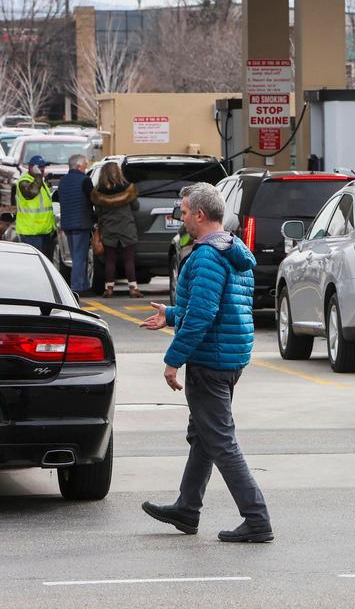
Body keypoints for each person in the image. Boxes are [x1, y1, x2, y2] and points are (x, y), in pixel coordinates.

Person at [139, 182, 272, 544]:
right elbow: (218, 307)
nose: (180, 218)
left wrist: (173, 360)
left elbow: (201, 315)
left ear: (199, 214)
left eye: (183, 212)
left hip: (209, 361)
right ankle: (187, 508)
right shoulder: (232, 249)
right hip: (228, 357)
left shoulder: (206, 257)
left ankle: (257, 519)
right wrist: (170, 314)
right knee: (204, 436)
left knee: (220, 442)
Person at [91, 162, 143, 298]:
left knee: (110, 260)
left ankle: (109, 289)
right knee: (129, 259)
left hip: (109, 229)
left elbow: (98, 212)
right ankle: (133, 288)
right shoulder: (128, 190)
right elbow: (136, 207)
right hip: (127, 228)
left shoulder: (99, 192)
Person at [58, 154, 95, 295]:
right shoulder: (85, 180)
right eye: (85, 165)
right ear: (79, 166)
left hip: (67, 224)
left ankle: (83, 285)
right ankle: (77, 287)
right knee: (80, 257)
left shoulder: (63, 181)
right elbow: (93, 199)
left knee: (76, 256)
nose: (86, 168)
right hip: (81, 223)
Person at [15, 155, 56, 254]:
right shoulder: (24, 181)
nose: (42, 169)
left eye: (43, 167)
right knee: (34, 261)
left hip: (44, 231)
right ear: (31, 167)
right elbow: (31, 193)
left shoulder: (40, 181)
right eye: (39, 167)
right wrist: (38, 175)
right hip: (31, 232)